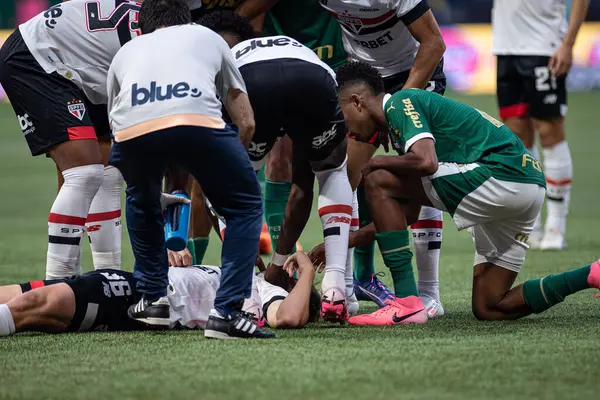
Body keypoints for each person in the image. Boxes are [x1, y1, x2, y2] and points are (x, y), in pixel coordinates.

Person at [329, 61, 598, 325]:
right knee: (490, 306)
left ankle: (407, 303)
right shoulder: (404, 130)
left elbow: (427, 162)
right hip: (526, 187)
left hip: (501, 175)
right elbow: (407, 213)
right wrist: (344, 242)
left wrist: (375, 162)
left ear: (357, 101)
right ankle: (590, 274)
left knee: (377, 180)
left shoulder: (400, 101)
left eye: (342, 116)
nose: (347, 129)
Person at [106, 0, 272, 339]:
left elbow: (115, 121)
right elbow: (246, 120)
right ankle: (226, 313)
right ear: (187, 19)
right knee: (245, 205)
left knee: (142, 198)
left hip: (131, 132)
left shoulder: (127, 50)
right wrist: (227, 172)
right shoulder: (208, 37)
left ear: (142, 27)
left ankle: (152, 299)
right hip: (197, 120)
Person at [200, 12, 353, 323]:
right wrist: (279, 261)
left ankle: (247, 296)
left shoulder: (223, 60)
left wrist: (241, 248)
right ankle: (336, 289)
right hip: (314, 79)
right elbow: (300, 191)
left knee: (223, 184)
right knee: (331, 172)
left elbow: (210, 186)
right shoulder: (290, 45)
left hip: (251, 83)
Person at [317, 0, 447, 318]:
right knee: (347, 172)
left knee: (420, 175)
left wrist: (399, 107)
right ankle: (345, 289)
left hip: (413, 71)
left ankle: (429, 294)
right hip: (363, 78)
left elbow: (434, 43)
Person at [0, 0, 142, 279]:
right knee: (85, 172)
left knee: (108, 170)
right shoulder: (170, 49)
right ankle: (59, 281)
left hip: (86, 63)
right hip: (36, 55)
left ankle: (108, 278)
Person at [0, 252, 321, 337]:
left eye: (293, 277)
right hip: (131, 282)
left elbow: (290, 316)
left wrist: (306, 271)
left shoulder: (265, 292)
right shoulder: (244, 276)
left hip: (134, 296)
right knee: (19, 293)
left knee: (42, 302)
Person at [492, 0, 590, 250]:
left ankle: (556, 228)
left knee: (549, 131)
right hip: (505, 48)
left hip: (544, 46)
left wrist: (568, 44)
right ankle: (530, 227)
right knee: (517, 139)